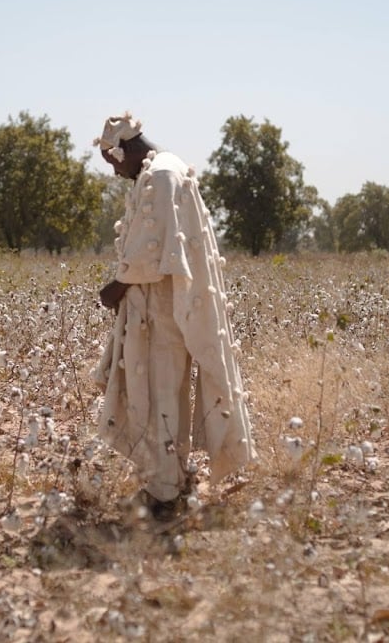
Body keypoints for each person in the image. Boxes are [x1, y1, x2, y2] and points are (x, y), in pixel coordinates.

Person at [91, 113, 255, 520]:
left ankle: (164, 491)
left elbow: (155, 252)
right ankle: (172, 477)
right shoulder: (164, 169)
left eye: (113, 163)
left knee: (158, 392)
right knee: (162, 391)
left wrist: (117, 286)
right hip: (156, 308)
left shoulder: (161, 176)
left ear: (123, 149)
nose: (116, 172)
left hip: (162, 310)